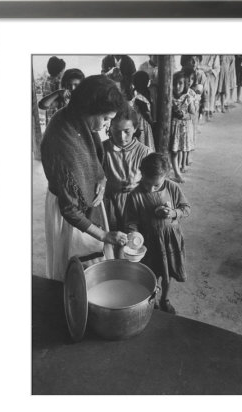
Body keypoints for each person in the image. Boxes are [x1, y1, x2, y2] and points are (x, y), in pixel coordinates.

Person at [40, 75, 128, 281]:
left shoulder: (77, 118)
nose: (107, 125)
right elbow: (70, 209)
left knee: (91, 265)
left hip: (85, 199)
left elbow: (94, 158)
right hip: (68, 211)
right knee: (75, 272)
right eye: (106, 118)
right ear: (90, 109)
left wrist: (102, 179)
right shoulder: (63, 141)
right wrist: (104, 235)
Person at [124, 153, 191, 314]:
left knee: (167, 275)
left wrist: (173, 213)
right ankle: (152, 299)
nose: (150, 188)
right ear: (142, 174)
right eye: (146, 183)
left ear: (165, 176)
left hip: (170, 240)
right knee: (150, 274)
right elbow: (131, 221)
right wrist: (134, 236)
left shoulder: (172, 188)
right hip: (149, 243)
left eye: (156, 185)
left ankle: (165, 299)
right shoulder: (135, 196)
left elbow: (186, 208)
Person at [103, 103, 152, 233]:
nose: (122, 137)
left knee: (134, 239)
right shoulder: (103, 150)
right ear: (110, 127)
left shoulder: (144, 152)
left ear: (135, 128)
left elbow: (155, 181)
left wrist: (140, 185)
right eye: (116, 131)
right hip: (110, 205)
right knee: (112, 238)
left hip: (136, 205)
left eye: (127, 131)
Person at [169, 71, 195, 183]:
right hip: (172, 129)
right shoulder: (169, 97)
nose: (177, 86)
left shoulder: (188, 97)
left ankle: (178, 172)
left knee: (179, 150)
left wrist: (183, 115)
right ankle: (177, 173)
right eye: (175, 84)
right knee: (173, 151)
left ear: (185, 85)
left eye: (180, 83)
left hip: (183, 129)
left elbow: (192, 114)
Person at [131, 71, 156, 151]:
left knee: (141, 142)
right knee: (146, 142)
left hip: (141, 123)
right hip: (146, 124)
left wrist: (151, 122)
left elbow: (146, 113)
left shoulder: (139, 98)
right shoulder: (147, 94)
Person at [41, 56, 66, 126]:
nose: (63, 72)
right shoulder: (57, 82)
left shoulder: (46, 81)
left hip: (49, 114)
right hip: (57, 115)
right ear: (59, 71)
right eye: (63, 70)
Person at [198, 55, 220, 120]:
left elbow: (217, 68)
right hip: (200, 76)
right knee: (200, 93)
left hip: (210, 77)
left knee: (210, 94)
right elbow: (197, 65)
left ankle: (209, 111)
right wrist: (202, 70)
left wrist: (209, 71)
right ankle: (201, 112)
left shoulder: (215, 55)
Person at [139, 55, 159, 125]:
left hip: (160, 95)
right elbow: (138, 82)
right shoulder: (143, 67)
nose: (158, 58)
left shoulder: (164, 67)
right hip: (147, 94)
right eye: (156, 56)